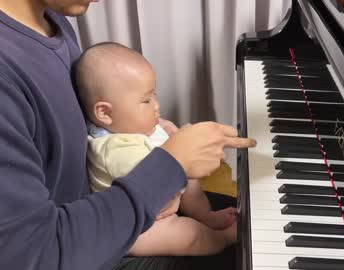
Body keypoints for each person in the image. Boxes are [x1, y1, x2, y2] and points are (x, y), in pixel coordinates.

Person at [0, 1, 256, 270]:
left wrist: (157, 133)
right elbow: (32, 255)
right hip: (86, 246)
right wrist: (170, 166)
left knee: (254, 215)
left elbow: (80, 122)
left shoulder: (50, 20)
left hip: (109, 210)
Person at [75, 41, 237, 256]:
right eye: (146, 100)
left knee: (192, 186)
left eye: (154, 95)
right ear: (105, 113)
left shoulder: (130, 126)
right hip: (138, 228)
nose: (156, 105)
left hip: (161, 201)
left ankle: (205, 215)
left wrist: (169, 132)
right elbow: (158, 181)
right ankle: (221, 239)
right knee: (188, 236)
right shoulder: (114, 150)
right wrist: (183, 151)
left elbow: (163, 151)